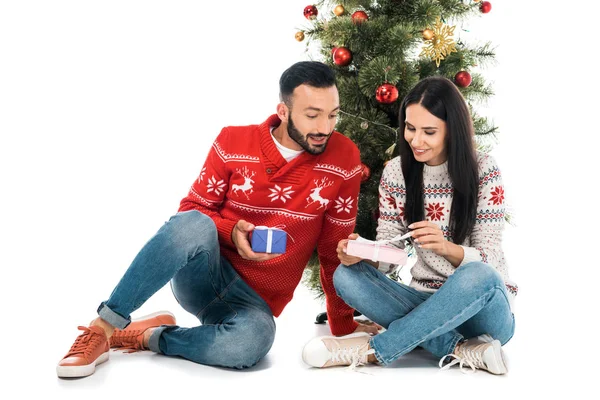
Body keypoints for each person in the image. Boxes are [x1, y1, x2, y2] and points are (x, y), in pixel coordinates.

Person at [56, 61, 376, 378]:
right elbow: (189, 215)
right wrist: (230, 231)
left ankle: (148, 336)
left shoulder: (344, 158)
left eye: (333, 114)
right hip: (204, 275)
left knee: (253, 343)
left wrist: (343, 325)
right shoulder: (233, 142)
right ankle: (103, 329)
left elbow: (335, 248)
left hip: (252, 303)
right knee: (194, 223)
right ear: (283, 111)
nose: (325, 127)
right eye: (312, 115)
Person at [302, 76, 518, 374]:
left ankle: (374, 350)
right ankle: (461, 348)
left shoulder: (484, 169)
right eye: (410, 128)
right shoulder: (396, 173)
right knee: (347, 276)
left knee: (477, 273)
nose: (416, 141)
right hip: (422, 300)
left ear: (452, 131)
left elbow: (491, 260)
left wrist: (447, 248)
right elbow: (392, 255)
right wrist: (365, 253)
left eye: (429, 132)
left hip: (483, 308)